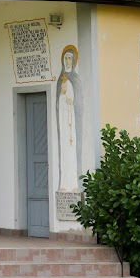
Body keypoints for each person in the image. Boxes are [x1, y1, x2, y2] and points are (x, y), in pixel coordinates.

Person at [55, 44, 83, 192]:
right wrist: (62, 98)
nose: (67, 61)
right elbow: (57, 102)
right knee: (64, 150)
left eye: (70, 58)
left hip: (72, 122)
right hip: (63, 121)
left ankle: (74, 184)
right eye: (65, 58)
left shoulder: (76, 78)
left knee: (72, 151)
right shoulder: (60, 79)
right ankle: (64, 183)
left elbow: (79, 101)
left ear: (74, 60)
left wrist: (72, 101)